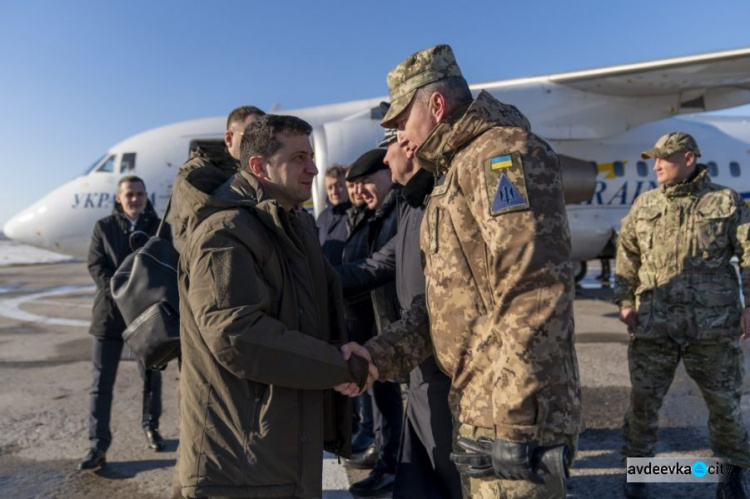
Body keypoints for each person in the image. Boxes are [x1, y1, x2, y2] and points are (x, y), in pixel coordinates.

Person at [338, 44, 582, 498]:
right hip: (476, 409)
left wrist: (514, 421)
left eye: (399, 122)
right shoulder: (450, 176)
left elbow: (534, 292)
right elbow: (442, 308)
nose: (398, 136)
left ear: (435, 105)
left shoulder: (501, 156)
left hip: (511, 418)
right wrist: (377, 357)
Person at [174, 114, 373, 498]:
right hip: (241, 464)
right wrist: (341, 365)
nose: (313, 168)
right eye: (298, 158)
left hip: (279, 448)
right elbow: (237, 335)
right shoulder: (225, 232)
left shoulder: (293, 225)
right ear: (258, 167)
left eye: (311, 156)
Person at [615, 132, 750, 499]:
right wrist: (625, 301)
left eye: (664, 157)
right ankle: (638, 474)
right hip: (654, 326)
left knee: (725, 406)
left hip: (713, 328)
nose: (656, 165)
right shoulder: (645, 205)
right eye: (654, 158)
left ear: (688, 158)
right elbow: (627, 257)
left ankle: (732, 475)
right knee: (643, 404)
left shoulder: (725, 201)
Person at [336, 124, 462, 498]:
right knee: (420, 480)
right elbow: (376, 265)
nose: (387, 156)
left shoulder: (434, 203)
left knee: (448, 474)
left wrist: (377, 354)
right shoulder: (412, 205)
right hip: (417, 364)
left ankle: (645, 471)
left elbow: (436, 309)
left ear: (409, 148)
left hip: (440, 367)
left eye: (389, 147)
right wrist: (315, 280)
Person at [79, 175, 170, 470]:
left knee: (151, 380)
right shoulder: (103, 228)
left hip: (146, 320)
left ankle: (151, 427)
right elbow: (96, 265)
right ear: (119, 198)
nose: (135, 199)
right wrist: (121, 294)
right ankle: (98, 445)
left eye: (140, 194)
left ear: (146, 197)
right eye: (129, 194)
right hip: (108, 317)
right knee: (101, 383)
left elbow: (166, 267)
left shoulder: (159, 228)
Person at [338, 148, 404, 497]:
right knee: (384, 402)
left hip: (397, 324)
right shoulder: (372, 214)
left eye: (366, 183)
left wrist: (325, 280)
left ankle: (392, 467)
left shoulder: (400, 211)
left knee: (396, 404)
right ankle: (387, 460)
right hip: (376, 323)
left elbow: (378, 266)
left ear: (388, 174)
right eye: (355, 185)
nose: (360, 192)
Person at [170, 105, 265, 249]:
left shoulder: (265, 170)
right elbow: (208, 234)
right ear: (229, 138)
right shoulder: (199, 172)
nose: (260, 143)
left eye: (266, 137)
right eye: (252, 136)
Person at [316, 164, 350, 266]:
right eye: (330, 188)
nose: (334, 192)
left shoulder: (356, 215)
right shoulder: (322, 217)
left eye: (339, 186)